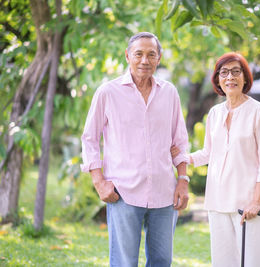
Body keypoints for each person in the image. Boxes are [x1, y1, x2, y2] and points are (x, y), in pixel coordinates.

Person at [81, 32, 190, 267]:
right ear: (127, 56)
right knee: (124, 263)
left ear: (159, 58)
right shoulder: (108, 92)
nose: (144, 60)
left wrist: (183, 180)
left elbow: (179, 141)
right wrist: (99, 181)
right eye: (138, 54)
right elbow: (89, 139)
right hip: (123, 193)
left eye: (151, 54)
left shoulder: (169, 92)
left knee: (162, 261)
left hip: (164, 193)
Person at [171, 52, 260, 267]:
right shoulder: (215, 113)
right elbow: (208, 153)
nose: (230, 77)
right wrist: (181, 157)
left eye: (236, 72)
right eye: (224, 73)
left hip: (247, 203)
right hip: (217, 201)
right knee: (223, 263)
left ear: (245, 77)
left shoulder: (258, 112)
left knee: (252, 262)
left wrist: (256, 202)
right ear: (218, 79)